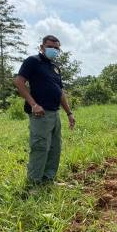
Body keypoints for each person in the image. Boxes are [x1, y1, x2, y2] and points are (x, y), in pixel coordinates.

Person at [14, 35, 76, 185]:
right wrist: (34, 104)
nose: (53, 50)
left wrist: (69, 113)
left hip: (55, 113)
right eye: (50, 47)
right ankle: (34, 184)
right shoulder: (33, 61)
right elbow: (19, 82)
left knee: (55, 148)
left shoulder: (55, 68)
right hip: (40, 114)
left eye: (56, 48)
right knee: (40, 147)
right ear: (42, 47)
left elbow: (60, 92)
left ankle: (48, 180)